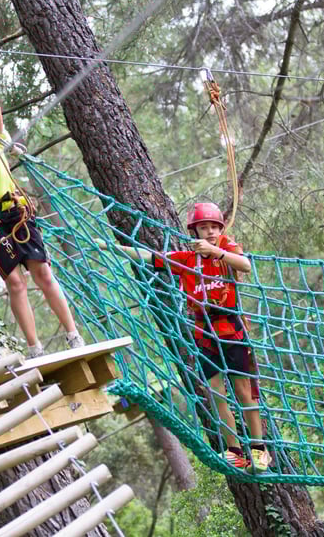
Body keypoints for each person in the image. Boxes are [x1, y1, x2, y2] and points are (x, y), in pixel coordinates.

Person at [98, 202, 271, 472]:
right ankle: (235, 450)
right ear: (196, 231)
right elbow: (150, 257)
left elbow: (245, 265)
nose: (211, 231)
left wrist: (216, 252)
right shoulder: (188, 259)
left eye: (214, 226)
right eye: (204, 227)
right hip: (204, 333)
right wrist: (112, 248)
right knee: (216, 395)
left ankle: (259, 449)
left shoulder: (226, 246)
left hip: (232, 329)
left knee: (244, 392)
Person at [0, 51, 84, 356]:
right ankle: (35, 347)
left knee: (44, 274)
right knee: (15, 283)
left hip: (16, 211)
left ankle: (73, 334)